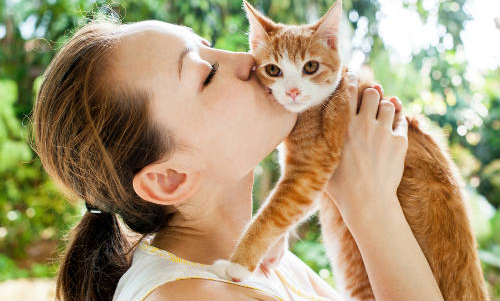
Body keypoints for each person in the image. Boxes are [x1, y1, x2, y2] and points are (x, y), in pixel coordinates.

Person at [31, 18, 443, 301]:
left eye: (210, 46)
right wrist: (371, 206)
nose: (248, 61)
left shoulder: (266, 266)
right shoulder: (186, 297)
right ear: (170, 179)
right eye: (207, 74)